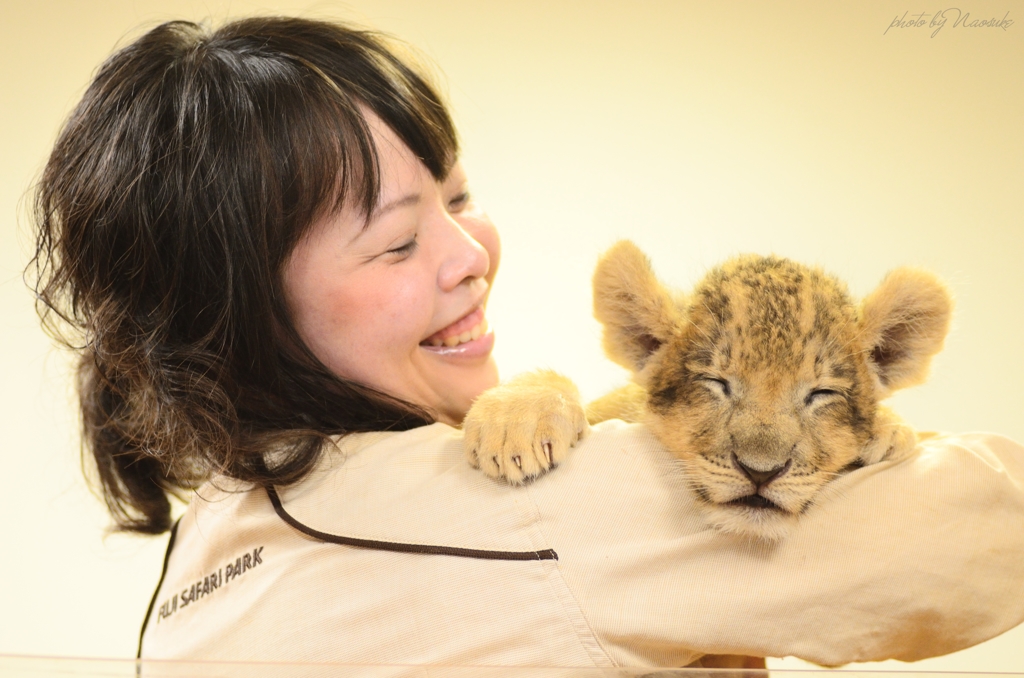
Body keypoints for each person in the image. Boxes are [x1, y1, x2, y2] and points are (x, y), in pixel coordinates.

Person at [32, 16, 1024, 670]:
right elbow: (974, 540)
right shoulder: (513, 513)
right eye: (397, 239)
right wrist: (868, 436)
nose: (470, 254)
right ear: (247, 320)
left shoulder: (209, 543)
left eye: (457, 197)